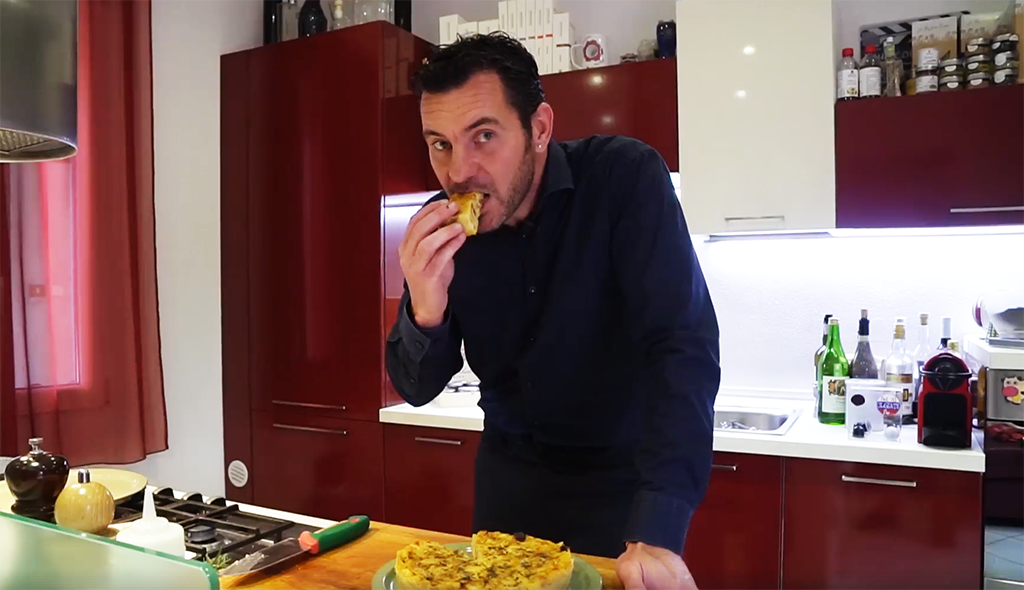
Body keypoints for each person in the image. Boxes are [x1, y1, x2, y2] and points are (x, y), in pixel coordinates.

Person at [385, 33, 719, 590]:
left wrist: (658, 529)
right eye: (440, 143)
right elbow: (416, 389)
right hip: (507, 486)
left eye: (484, 136)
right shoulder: (443, 226)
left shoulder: (623, 179)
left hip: (623, 489)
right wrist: (426, 307)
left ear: (539, 128)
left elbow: (681, 347)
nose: (459, 171)